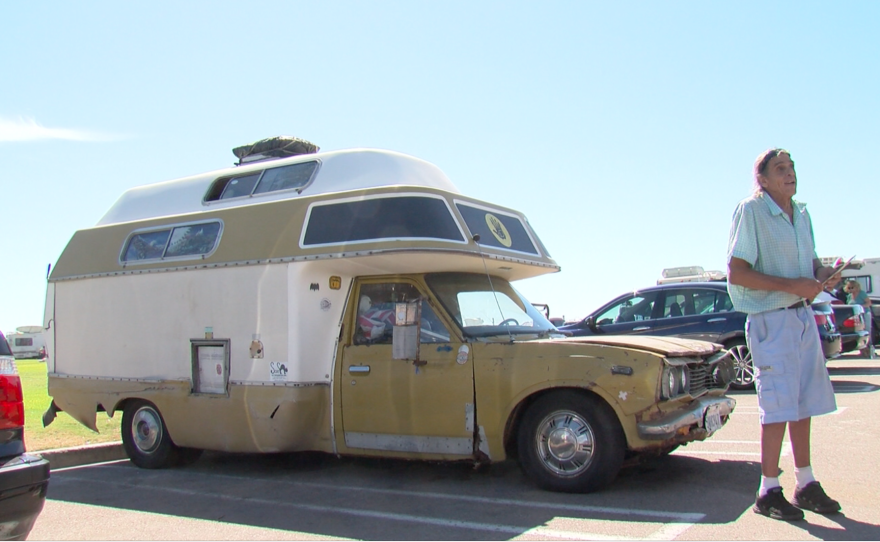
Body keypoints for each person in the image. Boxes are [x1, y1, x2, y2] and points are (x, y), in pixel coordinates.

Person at [727, 148, 841, 521]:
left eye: (791, 167)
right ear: (762, 178)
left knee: (803, 404)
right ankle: (768, 490)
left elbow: (812, 265)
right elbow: (737, 273)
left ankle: (805, 484)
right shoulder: (753, 211)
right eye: (780, 169)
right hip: (770, 321)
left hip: (802, 319)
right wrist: (793, 285)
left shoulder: (802, 214)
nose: (789, 173)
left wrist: (825, 275)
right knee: (777, 407)